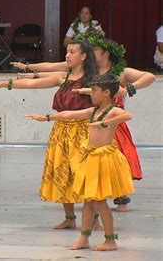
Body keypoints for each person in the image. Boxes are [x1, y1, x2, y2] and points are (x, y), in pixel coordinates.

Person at [12, 31, 156, 212]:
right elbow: (56, 68)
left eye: (96, 49)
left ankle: (120, 196)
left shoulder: (119, 72)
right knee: (93, 162)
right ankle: (91, 198)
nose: (92, 52)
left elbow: (148, 76)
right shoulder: (89, 72)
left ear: (106, 53)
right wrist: (30, 70)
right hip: (91, 119)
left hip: (113, 121)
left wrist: (130, 88)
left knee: (116, 161)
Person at [0, 39, 99, 228]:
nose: (67, 55)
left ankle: (93, 218)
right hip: (61, 131)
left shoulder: (93, 81)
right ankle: (70, 218)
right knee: (63, 173)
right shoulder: (62, 78)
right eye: (67, 52)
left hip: (84, 132)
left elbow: (113, 95)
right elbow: (32, 84)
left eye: (72, 52)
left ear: (84, 56)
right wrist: (3, 84)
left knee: (85, 175)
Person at [26, 73, 134, 251]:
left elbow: (127, 115)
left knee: (100, 201)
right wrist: (46, 118)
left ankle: (110, 240)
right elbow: (69, 114)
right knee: (88, 201)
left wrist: (106, 123)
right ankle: (84, 238)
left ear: (106, 92)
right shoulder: (93, 111)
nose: (91, 94)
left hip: (104, 158)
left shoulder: (112, 110)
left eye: (94, 91)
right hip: (91, 158)